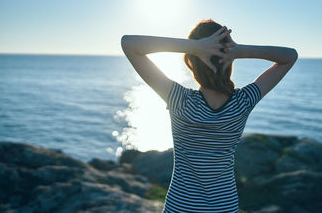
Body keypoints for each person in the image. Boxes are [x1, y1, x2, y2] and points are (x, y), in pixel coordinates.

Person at [121, 19, 298, 213]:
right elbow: (290, 56)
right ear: (229, 61)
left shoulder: (180, 100)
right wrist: (238, 51)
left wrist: (193, 47)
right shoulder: (243, 102)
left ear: (192, 62)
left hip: (180, 208)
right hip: (224, 208)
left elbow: (129, 44)